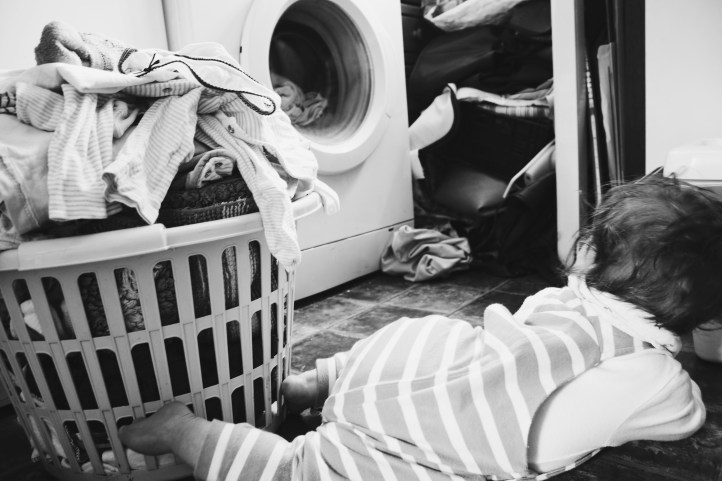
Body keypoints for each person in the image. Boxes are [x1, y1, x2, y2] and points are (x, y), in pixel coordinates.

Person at [119, 175, 722, 480]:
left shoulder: (562, 298)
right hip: (423, 438)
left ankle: (320, 381)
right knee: (297, 471)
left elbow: (512, 352)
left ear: (589, 259)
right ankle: (186, 432)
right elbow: (685, 416)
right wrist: (682, 375)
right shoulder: (652, 374)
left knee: (435, 336)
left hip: (404, 360)